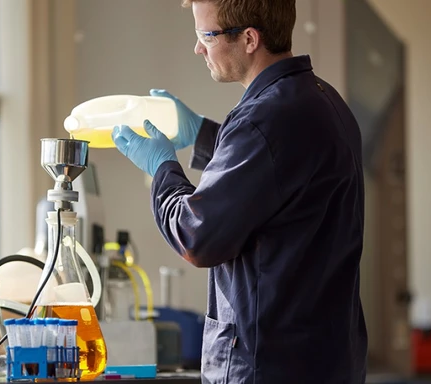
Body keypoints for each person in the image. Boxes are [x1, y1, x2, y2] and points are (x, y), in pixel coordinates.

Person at [112, 0, 367, 382]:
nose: (198, 48)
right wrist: (201, 134)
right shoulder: (322, 100)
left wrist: (162, 166)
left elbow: (197, 235)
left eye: (206, 35)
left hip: (268, 364)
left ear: (249, 39)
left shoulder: (263, 119)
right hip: (325, 360)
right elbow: (276, 176)